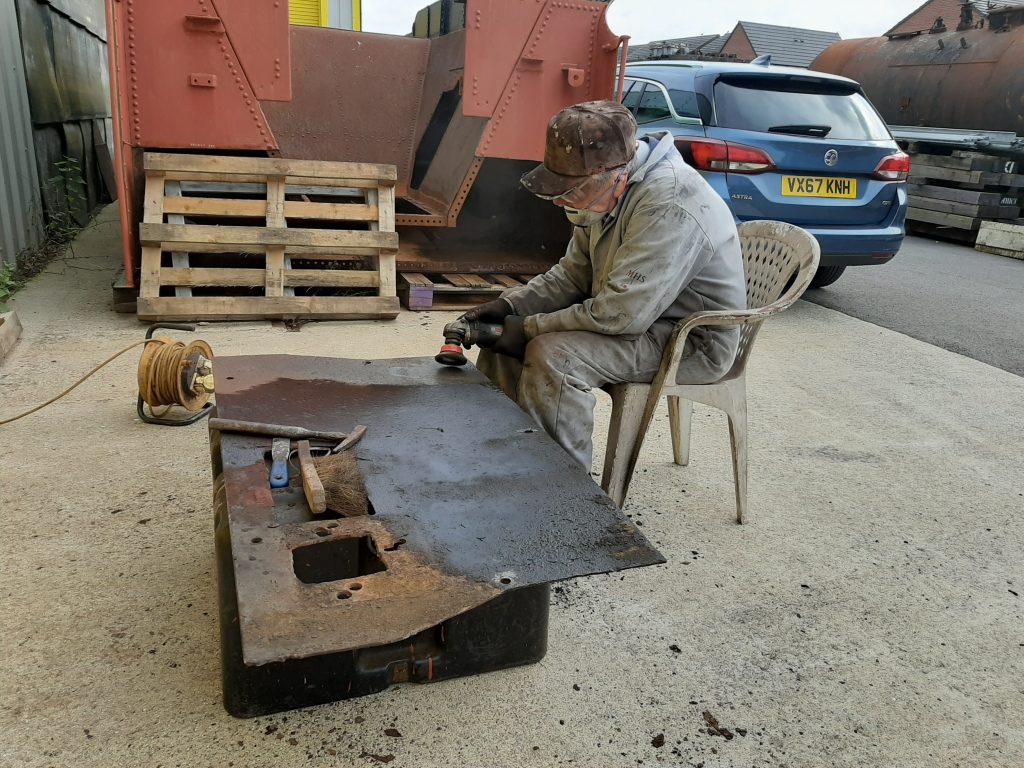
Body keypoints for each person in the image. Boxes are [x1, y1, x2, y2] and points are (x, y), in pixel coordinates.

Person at [468, 100, 746, 469]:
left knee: (555, 356)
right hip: (644, 319)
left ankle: (559, 488)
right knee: (501, 340)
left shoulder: (670, 202)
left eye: (572, 191)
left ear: (617, 174)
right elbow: (572, 274)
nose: (563, 201)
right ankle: (503, 463)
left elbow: (620, 314)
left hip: (691, 340)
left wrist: (530, 327)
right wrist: (511, 307)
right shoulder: (602, 195)